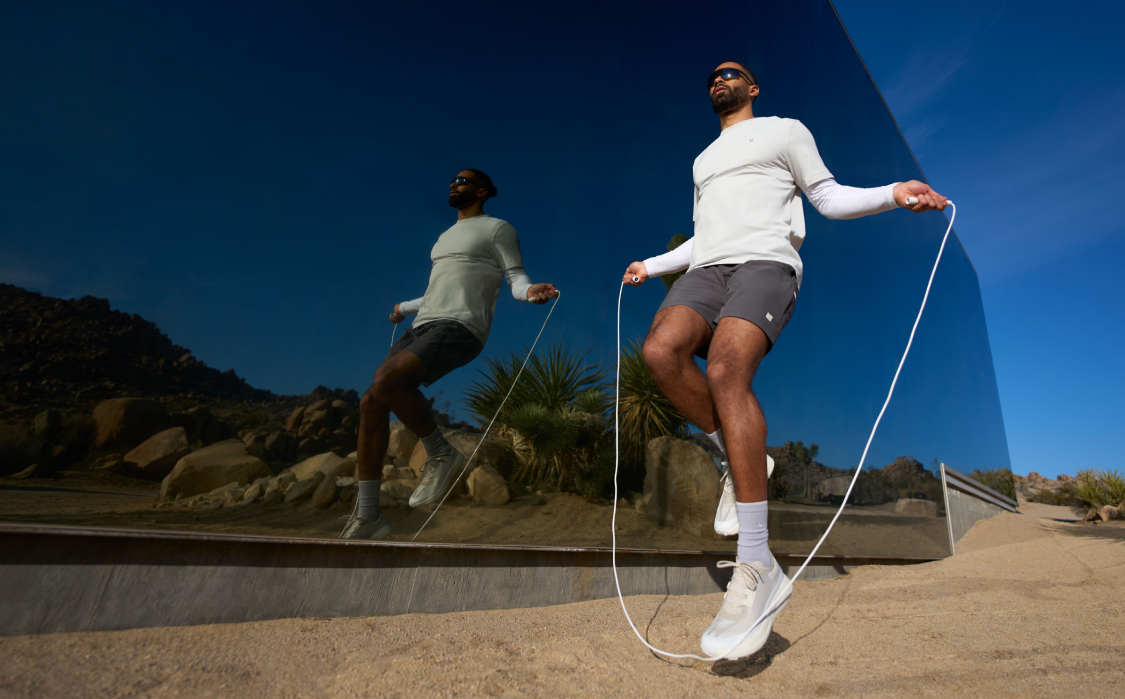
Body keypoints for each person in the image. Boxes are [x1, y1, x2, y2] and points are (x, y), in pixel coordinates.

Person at [622, 62, 947, 659]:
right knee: (660, 351)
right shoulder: (702, 160)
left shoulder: (785, 130)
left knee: (726, 370)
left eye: (731, 73)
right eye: (712, 76)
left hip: (766, 263)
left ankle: (756, 565)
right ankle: (738, 457)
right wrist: (652, 264)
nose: (718, 79)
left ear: (753, 88)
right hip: (706, 269)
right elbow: (703, 235)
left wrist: (892, 194)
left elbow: (826, 197)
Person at [341, 169, 558, 540]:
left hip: (460, 326)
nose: (454, 183)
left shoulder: (497, 229)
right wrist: (403, 307)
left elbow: (515, 278)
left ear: (483, 191)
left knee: (387, 380)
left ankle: (440, 452)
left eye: (463, 180)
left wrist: (529, 292)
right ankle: (368, 516)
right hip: (422, 326)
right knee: (371, 402)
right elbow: (438, 290)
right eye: (453, 180)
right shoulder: (444, 238)